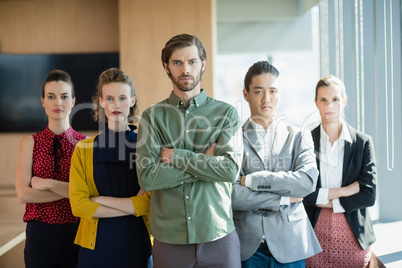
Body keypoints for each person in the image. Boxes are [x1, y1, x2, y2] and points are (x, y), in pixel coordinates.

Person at [136, 33, 243, 268]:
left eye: (192, 62)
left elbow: (228, 170)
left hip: (219, 236)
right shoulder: (152, 118)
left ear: (203, 64)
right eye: (177, 62)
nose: (186, 69)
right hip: (169, 241)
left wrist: (176, 157)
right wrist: (205, 162)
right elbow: (148, 177)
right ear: (166, 66)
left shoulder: (226, 114)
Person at [232, 61, 322, 268]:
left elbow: (306, 182)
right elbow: (232, 194)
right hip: (247, 247)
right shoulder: (233, 138)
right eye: (259, 91)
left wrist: (253, 179)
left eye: (273, 91)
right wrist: (282, 198)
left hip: (290, 244)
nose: (267, 99)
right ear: (246, 94)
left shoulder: (299, 135)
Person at [69, 68, 152, 267]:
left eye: (122, 98)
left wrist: (99, 200)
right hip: (95, 250)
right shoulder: (83, 149)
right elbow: (79, 206)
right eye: (110, 98)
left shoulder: (147, 146)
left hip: (137, 247)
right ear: (102, 102)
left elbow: (150, 203)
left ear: (132, 101)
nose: (116, 104)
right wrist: (132, 207)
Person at [303, 75, 377, 267]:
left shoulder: (363, 142)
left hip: (354, 237)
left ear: (344, 101)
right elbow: (302, 194)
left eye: (335, 99)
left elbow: (368, 195)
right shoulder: (305, 141)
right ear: (316, 103)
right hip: (314, 236)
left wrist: (328, 202)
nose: (329, 106)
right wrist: (344, 191)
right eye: (323, 100)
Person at [15, 69, 86, 268]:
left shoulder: (86, 144)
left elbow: (88, 194)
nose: (58, 103)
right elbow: (23, 195)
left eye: (64, 96)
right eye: (51, 97)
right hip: (40, 235)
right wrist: (72, 191)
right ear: (42, 101)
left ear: (73, 101)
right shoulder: (30, 142)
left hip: (78, 231)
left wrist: (47, 184)